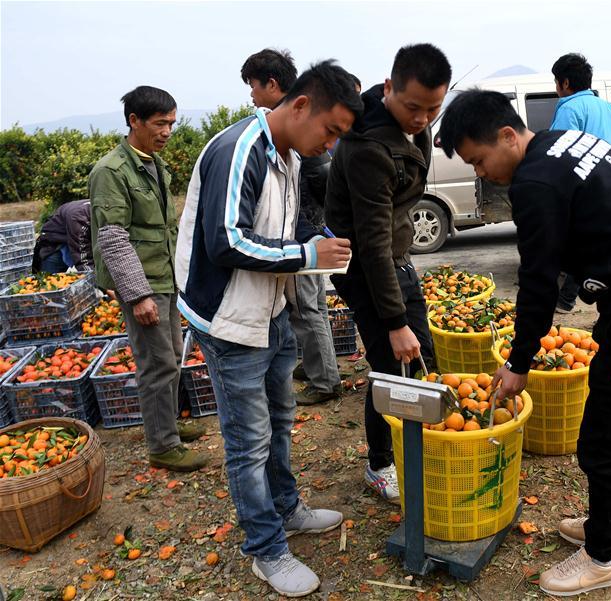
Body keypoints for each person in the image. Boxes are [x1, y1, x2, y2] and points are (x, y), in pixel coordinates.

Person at [438, 90, 611, 596]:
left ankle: (601, 559)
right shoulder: (566, 142)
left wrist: (519, 361)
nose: (481, 172)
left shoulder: (534, 181)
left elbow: (537, 280)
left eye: (480, 160)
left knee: (603, 441)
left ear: (508, 136)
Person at [176, 61, 361, 598]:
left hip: (271, 310)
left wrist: (317, 238)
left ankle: (286, 508)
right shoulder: (239, 150)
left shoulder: (289, 155)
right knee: (247, 440)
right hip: (231, 320)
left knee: (281, 418)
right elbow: (225, 242)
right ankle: (266, 549)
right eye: (331, 131)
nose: (329, 146)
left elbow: (280, 225)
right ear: (301, 106)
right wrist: (306, 252)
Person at [325, 43, 451, 503]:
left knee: (421, 359)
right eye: (413, 107)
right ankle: (380, 464)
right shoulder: (367, 149)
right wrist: (394, 322)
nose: (422, 118)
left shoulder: (411, 129)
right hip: (366, 266)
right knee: (393, 366)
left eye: (432, 108)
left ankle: (415, 444)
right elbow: (371, 243)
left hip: (393, 257)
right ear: (387, 89)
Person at [89, 86, 208, 472]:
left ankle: (168, 424)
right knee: (157, 364)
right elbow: (112, 237)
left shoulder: (152, 163)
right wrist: (137, 295)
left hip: (164, 276)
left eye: (172, 123)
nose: (168, 131)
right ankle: (162, 445)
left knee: (172, 356)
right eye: (160, 123)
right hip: (143, 282)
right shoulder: (112, 171)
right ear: (134, 121)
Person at [242, 47, 343, 405]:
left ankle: (325, 380)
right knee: (312, 307)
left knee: (306, 310)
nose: (252, 95)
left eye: (253, 86)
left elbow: (321, 178)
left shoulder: (296, 128)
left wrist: (311, 229)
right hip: (305, 234)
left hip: (300, 237)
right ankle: (320, 368)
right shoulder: (297, 122)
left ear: (271, 84)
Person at [550, 53, 611, 314]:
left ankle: (565, 299)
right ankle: (599, 300)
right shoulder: (610, 109)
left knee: (579, 244)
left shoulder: (569, 108)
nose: (556, 88)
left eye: (556, 81)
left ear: (565, 82)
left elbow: (562, 152)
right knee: (599, 244)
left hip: (583, 189)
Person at [32, 199, 92, 273]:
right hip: (54, 246)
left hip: (70, 237)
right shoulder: (79, 217)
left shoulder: (97, 208)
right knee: (50, 281)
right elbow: (83, 260)